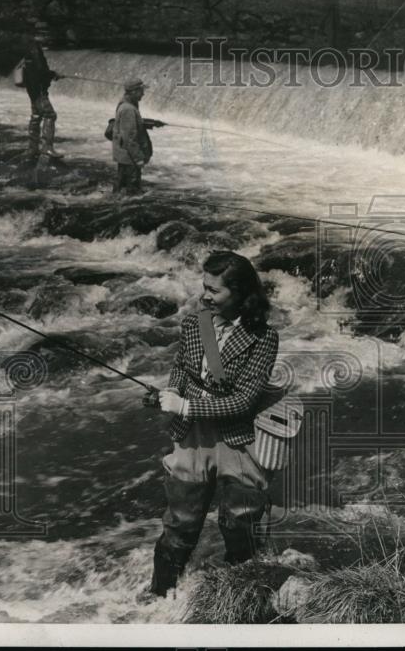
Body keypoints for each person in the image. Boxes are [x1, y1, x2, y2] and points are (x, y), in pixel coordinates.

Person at [148, 251, 280, 598]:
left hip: (237, 439)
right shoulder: (195, 323)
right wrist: (173, 389)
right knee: (180, 523)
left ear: (240, 294)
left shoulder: (263, 337)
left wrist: (185, 404)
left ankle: (240, 598)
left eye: (214, 290)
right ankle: (160, 597)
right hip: (190, 435)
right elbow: (181, 365)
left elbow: (243, 401)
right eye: (204, 287)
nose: (205, 295)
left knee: (239, 521)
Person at [112, 77, 159, 195]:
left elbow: (129, 127)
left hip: (125, 156)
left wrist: (149, 123)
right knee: (132, 193)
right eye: (141, 91)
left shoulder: (125, 104)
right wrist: (138, 159)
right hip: (130, 158)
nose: (143, 94)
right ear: (133, 91)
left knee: (121, 189)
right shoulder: (128, 109)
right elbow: (129, 138)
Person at [21, 37, 61, 159]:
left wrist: (51, 75)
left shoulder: (29, 46)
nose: (46, 37)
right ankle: (47, 147)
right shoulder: (35, 50)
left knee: (36, 116)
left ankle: (32, 148)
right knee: (50, 115)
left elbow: (34, 70)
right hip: (38, 89)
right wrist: (53, 75)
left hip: (32, 88)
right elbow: (40, 71)